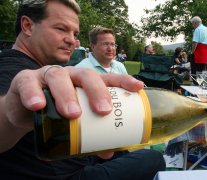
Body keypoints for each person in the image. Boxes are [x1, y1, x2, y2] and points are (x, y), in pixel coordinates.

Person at [0, 1, 165, 180]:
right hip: (71, 175)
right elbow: (7, 105)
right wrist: (11, 113)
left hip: (79, 155)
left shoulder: (40, 67)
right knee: (153, 158)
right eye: (62, 29)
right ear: (28, 26)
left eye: (75, 33)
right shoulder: (12, 69)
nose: (72, 40)